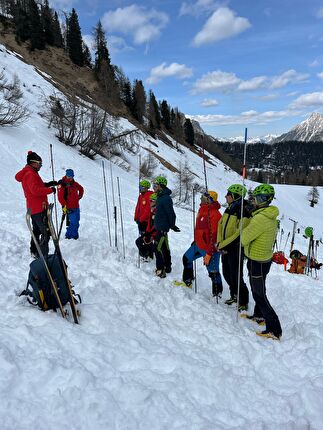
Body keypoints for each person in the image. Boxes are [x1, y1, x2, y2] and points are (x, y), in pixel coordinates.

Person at [241, 184, 282, 340]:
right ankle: (259, 316)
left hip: (257, 261)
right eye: (256, 197)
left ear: (267, 199)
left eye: (260, 198)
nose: (256, 201)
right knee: (259, 289)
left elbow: (244, 238)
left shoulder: (260, 218)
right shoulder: (269, 215)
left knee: (259, 295)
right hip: (265, 259)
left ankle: (275, 329)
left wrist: (246, 222)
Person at [15, 151, 57, 257]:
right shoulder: (30, 174)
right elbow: (35, 190)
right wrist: (50, 190)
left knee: (37, 230)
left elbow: (38, 185)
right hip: (38, 208)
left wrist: (48, 184)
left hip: (34, 208)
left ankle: (34, 251)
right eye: (40, 163)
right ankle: (42, 255)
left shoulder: (30, 173)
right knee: (45, 232)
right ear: (33, 163)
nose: (40, 166)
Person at [182, 191, 223, 296]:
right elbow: (201, 230)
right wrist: (196, 240)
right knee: (186, 259)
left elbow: (214, 237)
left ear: (209, 199)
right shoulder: (201, 210)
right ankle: (188, 281)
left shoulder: (216, 214)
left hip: (209, 249)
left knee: (213, 272)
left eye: (203, 197)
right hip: (198, 245)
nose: (200, 198)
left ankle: (217, 293)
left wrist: (209, 253)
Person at [217, 184, 250, 311]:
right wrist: (219, 242)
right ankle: (234, 295)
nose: (226, 196)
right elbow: (221, 225)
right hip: (224, 247)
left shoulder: (243, 211)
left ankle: (243, 300)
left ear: (235, 196)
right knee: (226, 273)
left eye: (228, 194)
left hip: (235, 248)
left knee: (236, 275)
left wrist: (223, 244)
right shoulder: (229, 208)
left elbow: (239, 233)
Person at [153, 176, 180, 278]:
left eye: (155, 185)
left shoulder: (165, 198)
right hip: (159, 226)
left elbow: (171, 214)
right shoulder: (160, 196)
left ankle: (161, 270)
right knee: (164, 247)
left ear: (161, 186)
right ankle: (168, 267)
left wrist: (172, 225)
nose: (154, 187)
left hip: (162, 228)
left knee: (157, 248)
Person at [57, 169, 84, 240]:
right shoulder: (62, 184)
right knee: (74, 222)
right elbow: (60, 198)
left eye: (71, 176)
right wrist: (65, 207)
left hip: (76, 207)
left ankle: (74, 235)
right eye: (69, 176)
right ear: (66, 175)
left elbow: (81, 189)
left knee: (76, 222)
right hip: (69, 208)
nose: (70, 177)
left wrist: (79, 196)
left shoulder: (74, 184)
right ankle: (69, 235)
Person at [135, 193, 157, 261]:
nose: (150, 202)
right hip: (149, 232)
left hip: (154, 234)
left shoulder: (157, 212)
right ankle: (147, 255)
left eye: (152, 200)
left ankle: (146, 256)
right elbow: (149, 224)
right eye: (150, 200)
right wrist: (147, 232)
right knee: (139, 241)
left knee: (141, 242)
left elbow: (156, 226)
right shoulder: (152, 210)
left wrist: (151, 235)